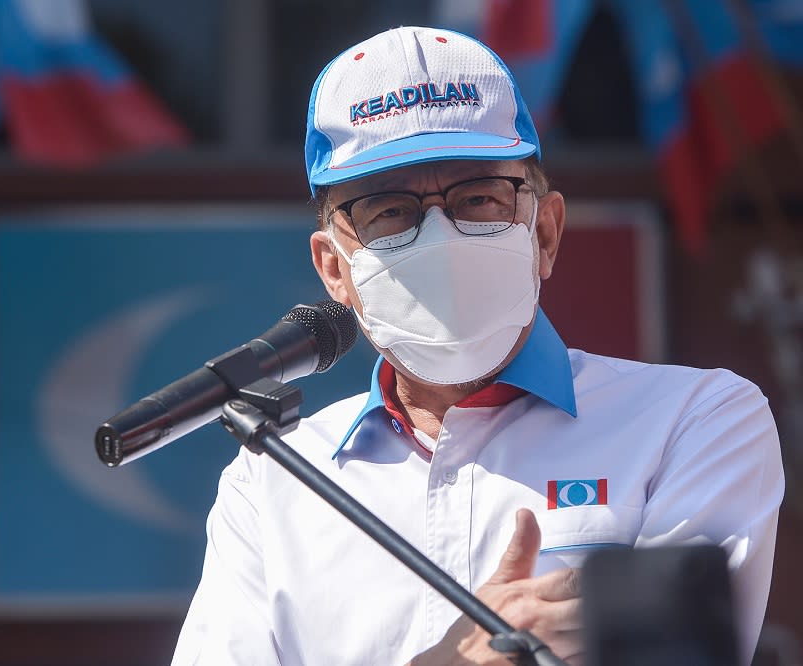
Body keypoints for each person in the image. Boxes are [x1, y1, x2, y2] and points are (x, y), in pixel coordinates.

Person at [171, 26, 784, 665]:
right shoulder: (273, 480)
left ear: (545, 232)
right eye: (391, 212)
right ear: (335, 270)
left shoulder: (695, 419)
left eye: (479, 198)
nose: (441, 237)